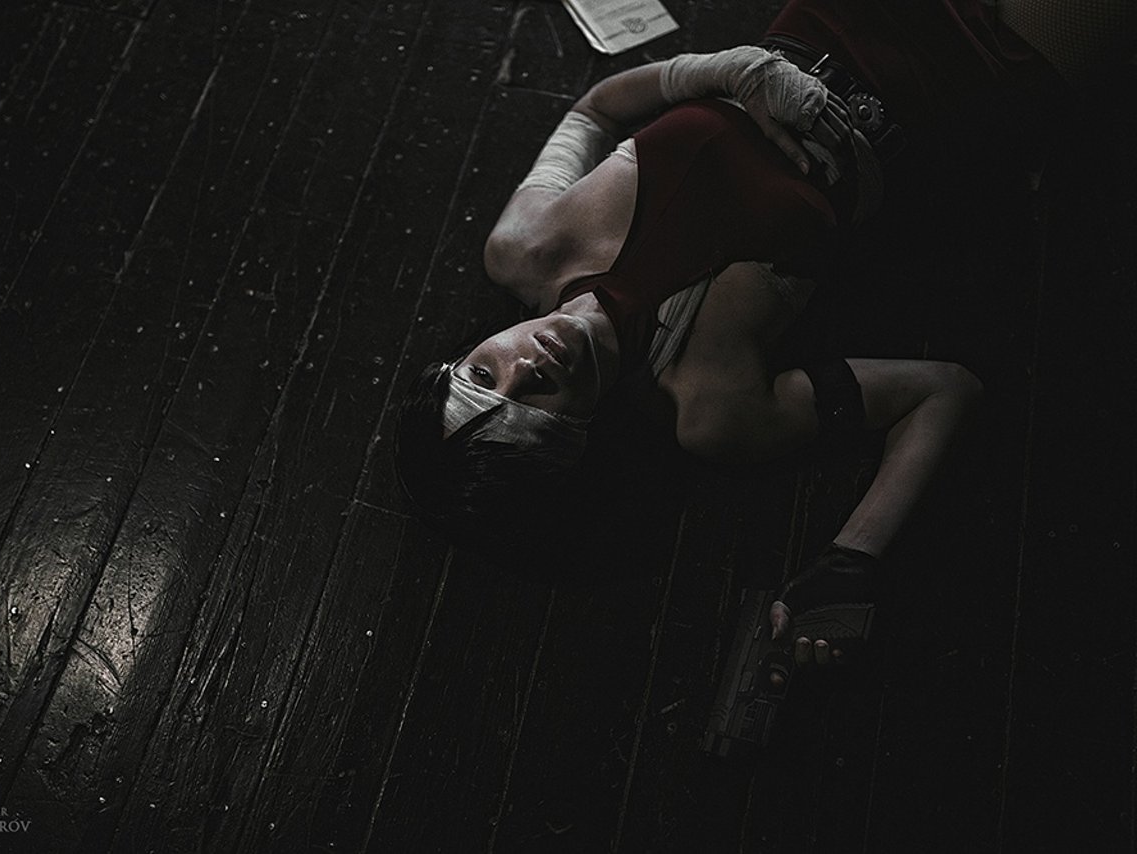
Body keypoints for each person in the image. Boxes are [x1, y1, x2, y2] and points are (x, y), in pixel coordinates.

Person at [394, 0, 1134, 674]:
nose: (528, 367)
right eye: (529, 409)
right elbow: (944, 392)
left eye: (485, 375)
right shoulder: (711, 404)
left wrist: (725, 70)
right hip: (966, 83)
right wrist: (853, 559)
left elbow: (593, 111)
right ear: (570, 445)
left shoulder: (523, 246)